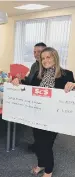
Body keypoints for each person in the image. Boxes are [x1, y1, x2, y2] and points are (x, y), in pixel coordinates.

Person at [12, 47, 75, 177]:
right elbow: (29, 88)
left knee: (46, 145)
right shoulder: (37, 74)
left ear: (55, 57)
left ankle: (48, 170)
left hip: (54, 117)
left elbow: (71, 91)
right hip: (37, 115)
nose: (45, 60)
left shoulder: (67, 74)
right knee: (38, 142)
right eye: (43, 58)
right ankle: (41, 164)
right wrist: (18, 82)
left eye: (48, 57)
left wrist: (73, 85)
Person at [13, 42, 47, 152]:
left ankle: (41, 148)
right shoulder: (34, 65)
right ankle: (37, 144)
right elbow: (30, 81)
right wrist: (21, 79)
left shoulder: (48, 66)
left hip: (43, 100)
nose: (36, 54)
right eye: (34, 52)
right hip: (33, 98)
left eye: (39, 52)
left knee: (42, 127)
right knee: (35, 125)